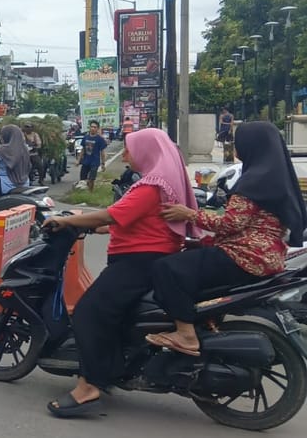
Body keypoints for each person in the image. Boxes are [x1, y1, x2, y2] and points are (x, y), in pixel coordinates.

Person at [42, 128, 194, 418]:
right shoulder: (161, 182)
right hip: (149, 256)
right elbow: (129, 220)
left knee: (88, 312)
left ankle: (89, 386)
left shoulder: (151, 186)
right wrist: (94, 225)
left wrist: (65, 222)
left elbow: (110, 214)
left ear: (147, 152)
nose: (126, 154)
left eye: (129, 149)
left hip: (137, 262)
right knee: (113, 314)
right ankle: (113, 368)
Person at [147, 121, 306, 356]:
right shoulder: (276, 175)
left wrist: (188, 214)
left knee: (166, 268)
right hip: (268, 257)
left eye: (237, 141)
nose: (234, 146)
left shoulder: (255, 179)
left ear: (252, 145)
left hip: (244, 256)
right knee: (192, 260)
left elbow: (231, 223)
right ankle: (206, 320)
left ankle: (185, 334)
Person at [78, 120, 108, 192]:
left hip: (94, 162)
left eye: (95, 127)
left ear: (97, 128)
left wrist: (103, 164)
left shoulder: (100, 139)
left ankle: (90, 192)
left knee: (91, 179)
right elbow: (83, 149)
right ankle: (83, 191)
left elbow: (102, 152)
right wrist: (78, 160)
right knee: (82, 179)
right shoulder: (85, 137)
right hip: (86, 161)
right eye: (91, 127)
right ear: (89, 128)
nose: (93, 128)